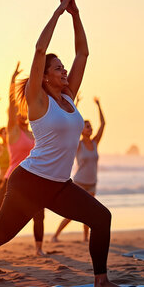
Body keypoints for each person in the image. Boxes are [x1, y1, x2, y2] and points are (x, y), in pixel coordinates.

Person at [0, 0, 120, 287]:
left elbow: (83, 53)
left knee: (101, 218)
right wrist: (58, 12)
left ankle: (100, 279)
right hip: (29, 182)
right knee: (0, 234)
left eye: (63, 67)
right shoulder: (37, 100)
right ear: (44, 77)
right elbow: (39, 51)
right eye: (57, 68)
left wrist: (76, 15)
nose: (64, 70)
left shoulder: (69, 97)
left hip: (59, 185)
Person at [0, 62, 46, 256]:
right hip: (11, 180)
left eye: (25, 116)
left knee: (39, 215)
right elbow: (12, 106)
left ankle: (39, 249)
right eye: (20, 116)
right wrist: (13, 81)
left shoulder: (32, 134)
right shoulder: (13, 132)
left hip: (32, 179)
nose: (22, 118)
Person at [52, 97, 106, 242]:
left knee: (89, 211)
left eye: (90, 126)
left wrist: (99, 105)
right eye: (87, 126)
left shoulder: (95, 143)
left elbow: (103, 124)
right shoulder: (78, 144)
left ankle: (85, 238)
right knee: (72, 213)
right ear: (81, 130)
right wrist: (75, 106)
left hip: (92, 182)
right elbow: (70, 125)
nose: (90, 128)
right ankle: (55, 235)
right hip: (80, 183)